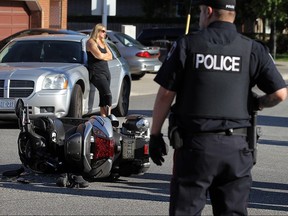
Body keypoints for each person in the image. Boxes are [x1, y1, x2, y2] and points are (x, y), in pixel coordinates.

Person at [148, 0, 288, 215]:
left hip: (195, 146)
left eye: (201, 12)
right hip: (237, 148)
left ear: (209, 11)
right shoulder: (252, 48)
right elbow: (280, 94)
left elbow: (166, 94)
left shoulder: (187, 44)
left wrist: (155, 134)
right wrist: (256, 103)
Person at [86, 23, 113, 117]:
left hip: (106, 71)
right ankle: (109, 117)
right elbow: (99, 55)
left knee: (103, 96)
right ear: (97, 31)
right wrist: (104, 56)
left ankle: (103, 119)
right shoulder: (91, 42)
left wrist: (103, 56)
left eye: (105, 31)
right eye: (103, 31)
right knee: (107, 94)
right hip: (96, 72)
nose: (105, 33)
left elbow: (111, 56)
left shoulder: (103, 43)